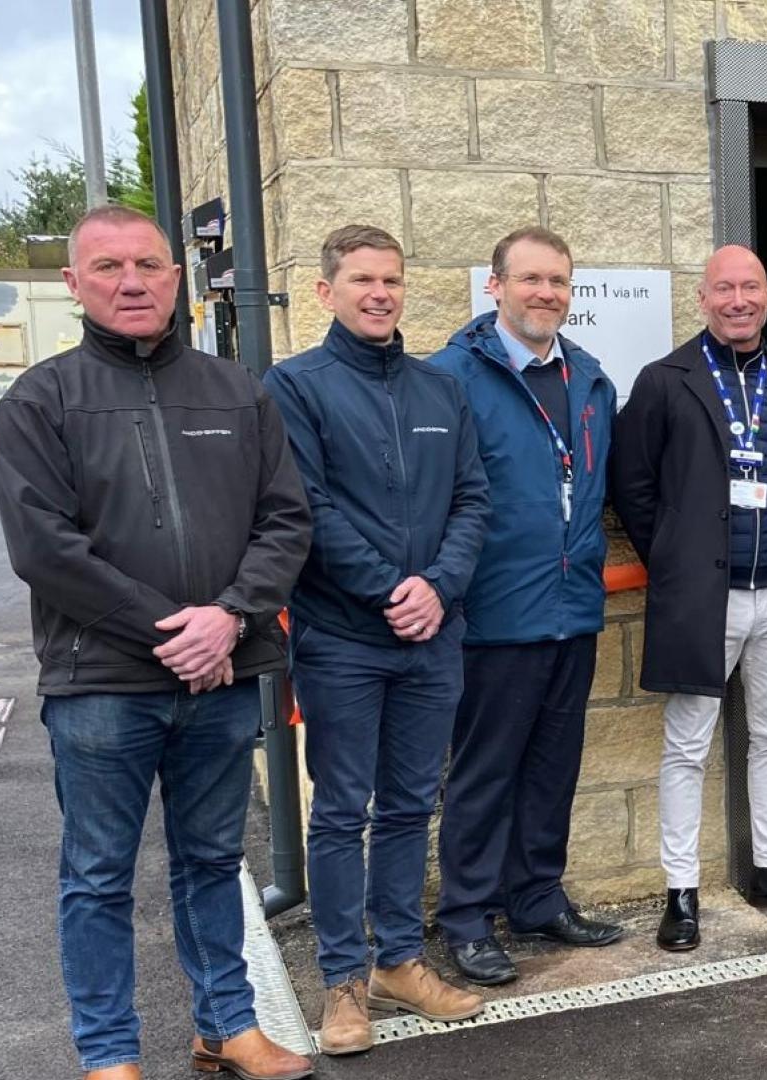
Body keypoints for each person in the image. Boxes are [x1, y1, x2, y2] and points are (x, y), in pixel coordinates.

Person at [0, 206, 314, 1080]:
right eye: (108, 267)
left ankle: (227, 1027)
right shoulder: (40, 400)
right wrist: (172, 630)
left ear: (176, 276)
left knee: (213, 862)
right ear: (74, 283)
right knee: (97, 876)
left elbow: (285, 522)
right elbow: (44, 549)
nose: (130, 281)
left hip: (219, 675)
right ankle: (109, 1057)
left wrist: (231, 618)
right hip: (102, 686)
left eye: (147, 265)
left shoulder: (237, 391)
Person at [263, 225, 492, 1053]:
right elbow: (307, 509)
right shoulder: (295, 386)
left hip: (433, 637)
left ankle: (399, 960)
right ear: (326, 291)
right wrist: (390, 590)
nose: (380, 293)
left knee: (408, 805)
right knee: (340, 813)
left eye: (391, 280)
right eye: (362, 279)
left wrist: (437, 588)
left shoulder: (441, 391)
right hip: (343, 640)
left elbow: (473, 499)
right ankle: (342, 984)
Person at [611, 245, 767, 953]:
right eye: (723, 289)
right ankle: (681, 888)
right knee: (687, 746)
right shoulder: (664, 381)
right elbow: (632, 487)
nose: (737, 300)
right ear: (703, 299)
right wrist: (678, 560)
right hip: (703, 598)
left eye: (749, 288)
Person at [424, 227, 622, 988]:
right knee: (483, 773)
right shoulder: (451, 378)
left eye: (559, 282)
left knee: (552, 768)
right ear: (495, 287)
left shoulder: (591, 380)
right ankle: (468, 918)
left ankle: (537, 897)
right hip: (492, 615)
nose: (546, 293)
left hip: (573, 609)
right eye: (531, 279)